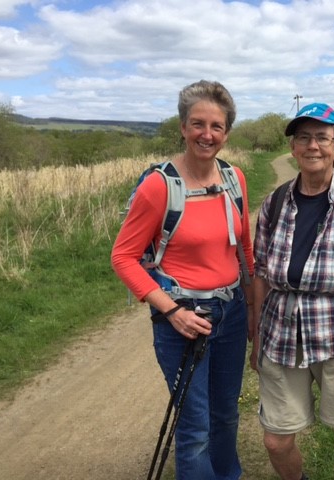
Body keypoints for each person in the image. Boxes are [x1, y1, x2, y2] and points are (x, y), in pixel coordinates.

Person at [111, 80, 254, 480]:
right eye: (198, 124)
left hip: (231, 312)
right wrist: (171, 310)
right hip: (182, 320)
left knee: (226, 414)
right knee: (194, 429)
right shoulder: (159, 187)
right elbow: (123, 257)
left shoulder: (234, 180)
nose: (206, 135)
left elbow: (245, 250)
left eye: (216, 127)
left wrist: (252, 309)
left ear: (226, 133)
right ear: (182, 126)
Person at [251, 103, 334, 480]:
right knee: (277, 440)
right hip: (279, 336)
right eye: (304, 138)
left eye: (323, 138)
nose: (313, 146)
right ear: (292, 148)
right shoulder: (275, 203)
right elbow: (261, 274)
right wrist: (256, 338)